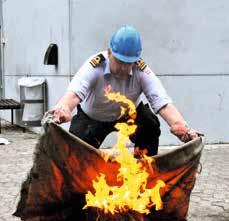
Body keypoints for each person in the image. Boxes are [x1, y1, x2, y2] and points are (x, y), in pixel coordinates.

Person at [47, 25, 198, 156]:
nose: (124, 68)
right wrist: (63, 108)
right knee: (76, 149)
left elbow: (162, 102)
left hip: (129, 115)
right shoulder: (94, 66)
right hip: (93, 118)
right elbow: (73, 94)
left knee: (150, 126)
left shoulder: (141, 70)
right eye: (119, 61)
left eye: (129, 63)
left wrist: (181, 126)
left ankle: (142, 172)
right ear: (109, 52)